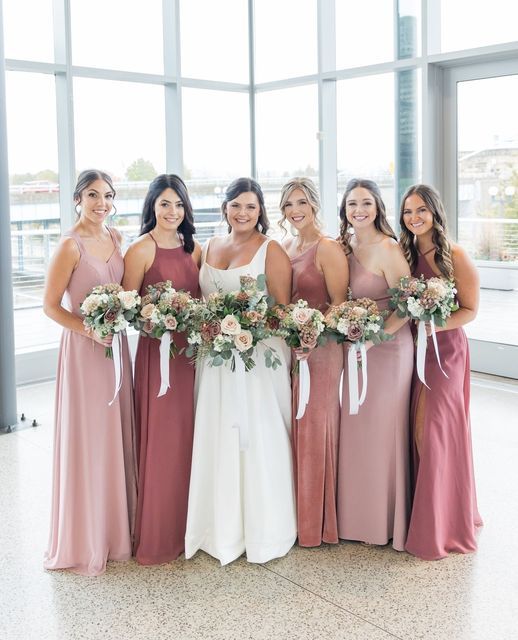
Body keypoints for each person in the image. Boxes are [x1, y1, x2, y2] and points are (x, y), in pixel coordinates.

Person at [185, 177, 296, 565]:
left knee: (254, 436)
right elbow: (201, 300)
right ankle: (217, 526)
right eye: (236, 205)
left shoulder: (271, 250)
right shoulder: (210, 246)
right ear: (225, 208)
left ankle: (262, 528)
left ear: (260, 211)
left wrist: (248, 328)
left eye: (250, 207)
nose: (243, 213)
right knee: (217, 434)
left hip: (255, 363)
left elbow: (281, 310)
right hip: (214, 362)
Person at [43, 169, 137, 576]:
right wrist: (91, 330)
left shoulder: (116, 239)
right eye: (94, 195)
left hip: (117, 350)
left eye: (108, 196)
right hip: (85, 354)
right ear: (78, 198)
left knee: (116, 434)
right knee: (92, 438)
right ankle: (88, 536)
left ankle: (118, 533)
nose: (102, 203)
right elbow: (51, 306)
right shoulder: (69, 245)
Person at [399, 183, 483, 560]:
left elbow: (470, 310)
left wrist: (432, 323)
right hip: (411, 352)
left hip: (445, 352)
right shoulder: (404, 252)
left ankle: (443, 525)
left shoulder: (456, 256)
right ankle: (429, 512)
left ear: (435, 212)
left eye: (421, 211)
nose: (414, 218)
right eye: (408, 212)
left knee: (435, 431)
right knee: (416, 428)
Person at [123, 174, 201, 565]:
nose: (172, 212)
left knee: (190, 438)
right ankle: (159, 534)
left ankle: (193, 526)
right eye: (164, 204)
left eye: (178, 204)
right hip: (158, 358)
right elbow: (129, 309)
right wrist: (157, 319)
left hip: (191, 358)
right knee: (164, 441)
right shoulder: (140, 249)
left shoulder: (194, 248)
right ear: (152, 206)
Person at [336, 178, 413, 551]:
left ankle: (384, 522)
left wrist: (375, 336)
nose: (359, 210)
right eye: (352, 204)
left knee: (384, 430)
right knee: (355, 428)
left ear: (378, 207)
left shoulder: (388, 248)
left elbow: (406, 304)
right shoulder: (344, 245)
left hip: (389, 348)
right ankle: (354, 517)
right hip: (353, 347)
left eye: (366, 203)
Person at [279, 177, 348, 547]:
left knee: (315, 429)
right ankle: (296, 516)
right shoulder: (287, 245)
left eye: (302, 202)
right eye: (289, 204)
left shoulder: (328, 248)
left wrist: (313, 334)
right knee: (295, 427)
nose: (295, 210)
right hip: (292, 348)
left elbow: (338, 302)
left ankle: (318, 524)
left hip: (321, 351)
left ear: (315, 205)